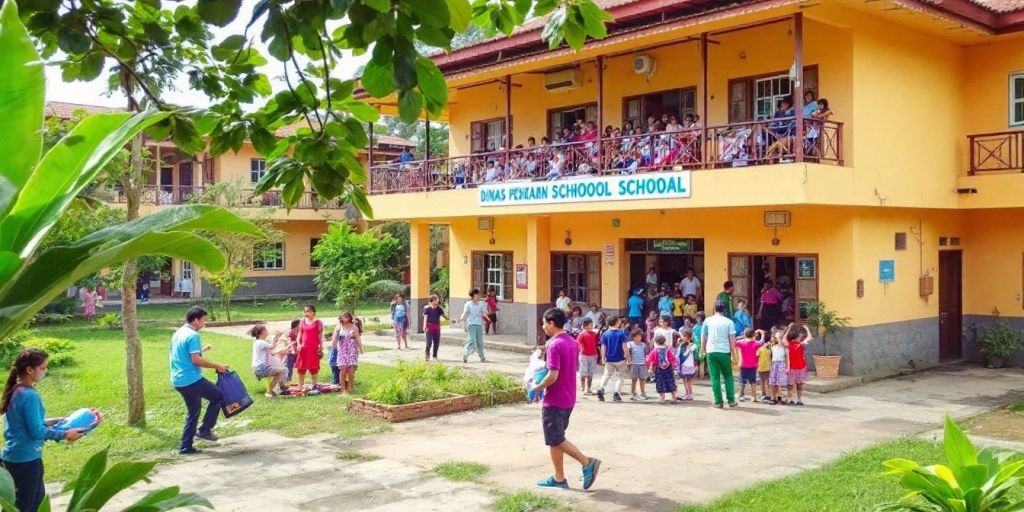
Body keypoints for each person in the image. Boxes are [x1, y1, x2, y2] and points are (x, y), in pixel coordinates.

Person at [2, 349, 90, 512]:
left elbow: (25, 424)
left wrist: (55, 421)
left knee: (18, 504)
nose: (45, 371)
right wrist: (65, 434)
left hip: (12, 457)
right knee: (29, 506)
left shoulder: (17, 389)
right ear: (30, 370)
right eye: (42, 368)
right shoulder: (30, 395)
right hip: (26, 461)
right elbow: (37, 432)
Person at [532, 308, 601, 490]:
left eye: (544, 323)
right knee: (555, 439)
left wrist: (537, 387)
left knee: (556, 439)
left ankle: (587, 462)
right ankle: (559, 478)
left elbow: (553, 375)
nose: (543, 327)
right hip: (568, 398)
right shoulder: (571, 341)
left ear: (551, 323)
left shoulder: (554, 344)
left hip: (555, 400)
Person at [170, 307, 227, 455]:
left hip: (178, 379)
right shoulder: (193, 335)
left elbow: (184, 354)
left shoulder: (179, 332)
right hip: (190, 379)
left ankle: (186, 446)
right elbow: (195, 360)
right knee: (218, 396)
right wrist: (218, 366)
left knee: (193, 411)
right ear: (196, 320)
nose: (204, 323)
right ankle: (205, 429)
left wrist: (203, 350)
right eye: (203, 320)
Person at [701, 301, 738, 408]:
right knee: (728, 377)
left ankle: (718, 402)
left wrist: (702, 350)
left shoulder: (708, 320)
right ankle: (731, 400)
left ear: (714, 308)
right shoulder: (729, 322)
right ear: (724, 309)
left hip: (711, 351)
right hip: (724, 352)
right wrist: (734, 355)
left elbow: (703, 336)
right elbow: (732, 340)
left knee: (715, 377)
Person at [249, 325, 288, 398]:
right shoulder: (260, 342)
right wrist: (277, 336)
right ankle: (271, 391)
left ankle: (277, 389)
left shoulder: (259, 342)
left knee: (280, 370)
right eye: (265, 330)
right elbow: (272, 346)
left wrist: (277, 337)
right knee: (283, 370)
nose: (267, 331)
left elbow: (271, 349)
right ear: (260, 333)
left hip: (259, 367)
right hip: (261, 367)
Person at [596, 316, 628, 403]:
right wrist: (628, 358)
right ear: (617, 323)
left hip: (609, 359)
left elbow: (603, 347)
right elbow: (625, 347)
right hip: (620, 359)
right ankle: (616, 393)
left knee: (606, 375)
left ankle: (600, 388)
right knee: (620, 376)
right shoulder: (621, 333)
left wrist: (602, 358)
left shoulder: (605, 334)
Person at [294, 305, 323, 396]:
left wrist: (321, 346)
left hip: (314, 348)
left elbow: (320, 335)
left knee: (314, 367)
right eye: (306, 311)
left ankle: (314, 385)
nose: (307, 313)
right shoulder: (302, 322)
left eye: (309, 311)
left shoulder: (318, 322)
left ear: (313, 312)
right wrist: (298, 344)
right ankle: (300, 386)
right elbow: (299, 334)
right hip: (303, 348)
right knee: (301, 367)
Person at [333, 312, 364, 394]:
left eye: (347, 316)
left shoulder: (354, 327)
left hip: (352, 351)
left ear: (350, 317)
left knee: (351, 370)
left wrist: (360, 348)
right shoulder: (339, 327)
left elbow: (357, 338)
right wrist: (332, 347)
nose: (345, 318)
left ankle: (351, 386)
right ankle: (343, 389)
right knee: (343, 370)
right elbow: (334, 338)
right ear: (341, 317)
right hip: (342, 351)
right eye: (343, 316)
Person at [785, 323, 814, 406]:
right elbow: (784, 339)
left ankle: (799, 399)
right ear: (794, 338)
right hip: (792, 368)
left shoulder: (801, 344)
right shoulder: (788, 345)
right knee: (790, 385)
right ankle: (790, 399)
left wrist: (807, 328)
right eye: (798, 337)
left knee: (800, 384)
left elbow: (810, 338)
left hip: (801, 367)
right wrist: (789, 328)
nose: (800, 338)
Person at [647, 335, 679, 404]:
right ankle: (674, 398)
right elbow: (673, 359)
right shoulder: (667, 350)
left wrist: (650, 368)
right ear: (664, 342)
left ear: (656, 343)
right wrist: (675, 367)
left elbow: (652, 361)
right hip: (669, 369)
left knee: (660, 383)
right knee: (670, 382)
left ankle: (662, 399)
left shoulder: (655, 351)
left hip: (659, 369)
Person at [459, 288, 488, 363]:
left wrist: (488, 319)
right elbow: (465, 312)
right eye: (476, 294)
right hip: (471, 324)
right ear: (473, 295)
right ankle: (466, 355)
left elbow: (483, 313)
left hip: (479, 325)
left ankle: (482, 357)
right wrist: (462, 317)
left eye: (478, 294)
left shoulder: (481, 304)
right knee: (471, 340)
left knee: (480, 342)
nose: (478, 296)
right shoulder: (468, 304)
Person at [735, 328, 761, 403]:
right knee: (753, 381)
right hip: (753, 366)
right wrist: (761, 333)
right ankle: (754, 397)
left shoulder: (741, 343)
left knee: (742, 381)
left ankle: (741, 395)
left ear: (744, 335)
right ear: (753, 335)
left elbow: (734, 342)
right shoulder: (756, 343)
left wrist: (743, 338)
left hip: (743, 366)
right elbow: (762, 341)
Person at [576, 319, 600, 395]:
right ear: (585, 326)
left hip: (593, 355)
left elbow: (597, 343)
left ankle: (588, 388)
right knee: (583, 372)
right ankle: (583, 388)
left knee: (591, 373)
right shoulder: (582, 334)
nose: (592, 326)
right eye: (590, 325)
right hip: (584, 355)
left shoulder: (594, 334)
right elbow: (578, 343)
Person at [423, 295, 447, 362]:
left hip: (437, 327)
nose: (435, 301)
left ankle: (434, 355)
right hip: (429, 327)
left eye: (436, 300)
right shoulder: (427, 308)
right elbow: (425, 318)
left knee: (436, 343)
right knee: (429, 342)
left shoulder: (439, 309)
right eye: (434, 300)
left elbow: (444, 316)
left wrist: (450, 319)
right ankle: (427, 354)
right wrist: (424, 327)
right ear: (431, 301)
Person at [626, 330, 649, 401]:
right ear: (633, 337)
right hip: (633, 364)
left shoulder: (644, 345)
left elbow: (646, 354)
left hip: (642, 364)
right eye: (635, 336)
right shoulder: (630, 344)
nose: (637, 338)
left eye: (639, 336)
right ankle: (633, 392)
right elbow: (628, 353)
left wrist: (647, 362)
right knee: (634, 379)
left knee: (642, 379)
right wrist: (628, 361)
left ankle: (643, 392)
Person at [768, 331, 789, 404]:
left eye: (779, 337)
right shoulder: (772, 346)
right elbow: (770, 357)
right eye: (776, 337)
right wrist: (770, 365)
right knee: (774, 382)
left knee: (782, 382)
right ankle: (774, 397)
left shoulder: (785, 347)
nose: (778, 339)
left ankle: (782, 397)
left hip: (781, 364)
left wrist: (787, 367)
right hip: (774, 365)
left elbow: (787, 358)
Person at [676, 330, 696, 400]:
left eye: (685, 336)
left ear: (689, 338)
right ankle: (686, 393)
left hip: (689, 365)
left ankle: (690, 394)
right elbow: (678, 355)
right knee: (684, 380)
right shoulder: (681, 345)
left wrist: (688, 345)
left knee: (688, 380)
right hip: (683, 365)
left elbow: (689, 351)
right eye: (683, 336)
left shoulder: (693, 345)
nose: (683, 338)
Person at [756, 330, 772, 401]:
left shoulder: (759, 349)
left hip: (760, 367)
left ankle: (763, 393)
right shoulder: (770, 349)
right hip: (768, 367)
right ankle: (768, 394)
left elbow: (756, 355)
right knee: (767, 381)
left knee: (762, 381)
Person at [283, 319, 300, 384]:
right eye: (300, 324)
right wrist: (294, 351)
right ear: (297, 325)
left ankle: (295, 380)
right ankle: (287, 380)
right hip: (292, 352)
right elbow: (291, 342)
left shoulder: (298, 332)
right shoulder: (292, 332)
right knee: (289, 366)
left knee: (295, 366)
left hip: (296, 352)